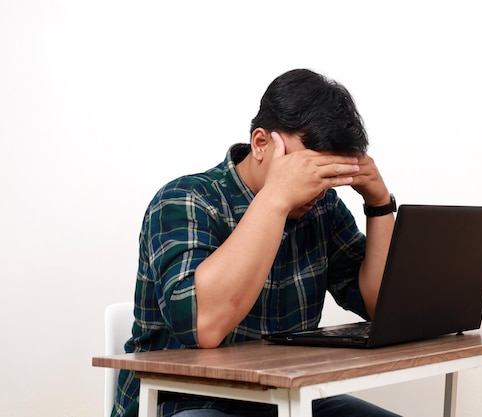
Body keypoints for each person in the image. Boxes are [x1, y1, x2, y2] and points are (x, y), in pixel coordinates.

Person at [112, 69, 399, 417]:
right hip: (184, 401)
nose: (319, 186)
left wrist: (380, 205)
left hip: (285, 400)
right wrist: (276, 196)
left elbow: (379, 307)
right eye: (308, 165)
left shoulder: (322, 209)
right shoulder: (184, 200)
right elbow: (204, 326)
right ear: (261, 143)